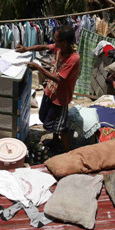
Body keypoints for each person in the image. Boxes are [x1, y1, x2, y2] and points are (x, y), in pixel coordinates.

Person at [16, 24, 80, 152]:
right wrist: (26, 48)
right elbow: (44, 46)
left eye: (57, 41)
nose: (54, 43)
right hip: (50, 91)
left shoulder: (73, 59)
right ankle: (55, 140)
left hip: (60, 98)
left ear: (65, 43)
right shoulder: (59, 48)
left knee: (61, 127)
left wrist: (38, 68)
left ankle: (68, 152)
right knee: (45, 118)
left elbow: (59, 79)